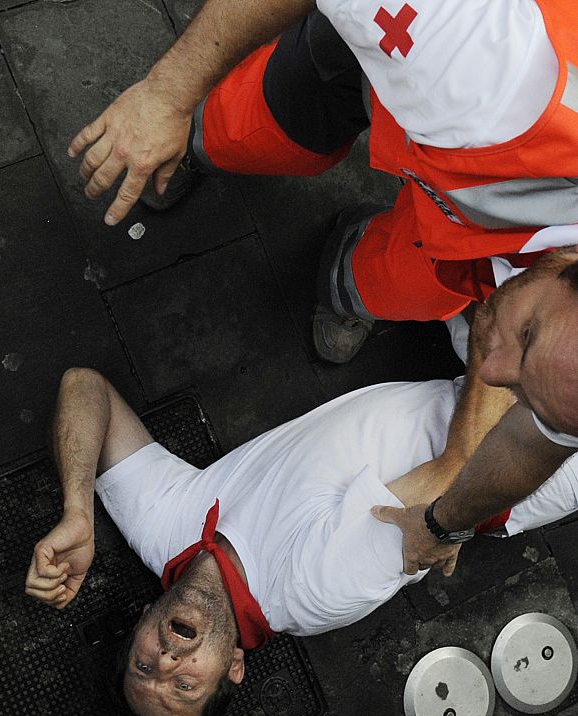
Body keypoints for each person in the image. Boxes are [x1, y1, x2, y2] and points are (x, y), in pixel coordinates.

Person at [66, 0, 578, 557]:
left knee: (385, 283)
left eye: (522, 392)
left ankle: (346, 277)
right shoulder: (488, 65)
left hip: (485, 221)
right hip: (438, 80)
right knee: (261, 126)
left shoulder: (560, 352)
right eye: (525, 341)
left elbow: (541, 439)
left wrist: (445, 515)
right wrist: (167, 94)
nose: (486, 370)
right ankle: (197, 139)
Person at [24, 327, 578, 716]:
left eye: (146, 664)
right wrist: (504, 334)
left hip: (483, 379)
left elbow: (84, 387)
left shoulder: (166, 531)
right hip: (524, 444)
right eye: (185, 685)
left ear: (145, 620)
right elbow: (460, 473)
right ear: (234, 667)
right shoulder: (313, 590)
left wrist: (78, 509)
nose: (168, 661)